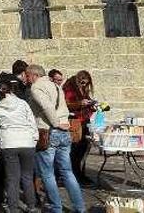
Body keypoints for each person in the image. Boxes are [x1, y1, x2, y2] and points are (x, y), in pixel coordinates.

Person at [28, 64, 85, 213]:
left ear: (34, 75)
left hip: (49, 131)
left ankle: (56, 208)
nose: (27, 79)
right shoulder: (55, 86)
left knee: (47, 174)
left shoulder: (36, 87)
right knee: (67, 171)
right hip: (64, 132)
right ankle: (80, 208)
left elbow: (47, 107)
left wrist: (56, 123)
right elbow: (63, 107)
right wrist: (63, 123)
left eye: (28, 76)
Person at [0, 80, 38, 213]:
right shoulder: (23, 104)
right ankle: (31, 206)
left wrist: (0, 142)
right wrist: (34, 139)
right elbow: (31, 123)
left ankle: (13, 208)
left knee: (12, 178)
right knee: (27, 177)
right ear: (13, 90)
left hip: (9, 142)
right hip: (27, 141)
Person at [0, 59, 29, 207]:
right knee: (20, 170)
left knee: (4, 168)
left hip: (6, 134)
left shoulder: (2, 83)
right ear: (23, 72)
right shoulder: (18, 87)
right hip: (17, 134)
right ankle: (29, 199)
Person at [63, 70, 95, 185]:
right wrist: (80, 104)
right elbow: (66, 104)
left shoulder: (83, 89)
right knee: (75, 150)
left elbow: (85, 102)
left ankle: (80, 174)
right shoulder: (69, 88)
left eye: (86, 83)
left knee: (83, 148)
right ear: (78, 80)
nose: (84, 85)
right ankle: (74, 175)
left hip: (84, 120)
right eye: (82, 83)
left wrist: (92, 105)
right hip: (75, 121)